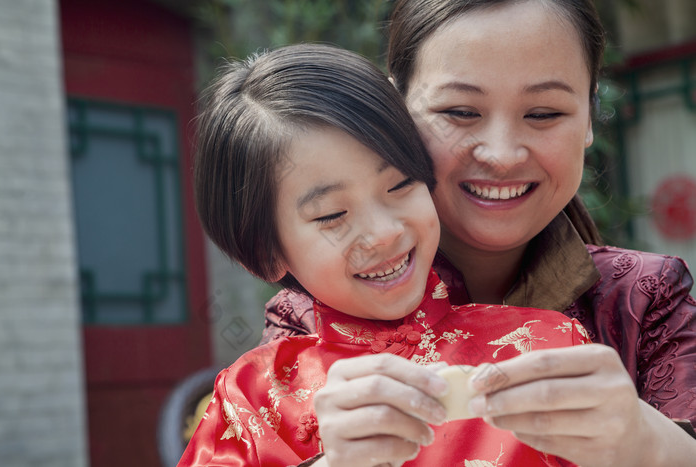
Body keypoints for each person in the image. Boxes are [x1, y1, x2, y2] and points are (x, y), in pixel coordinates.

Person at [261, 0, 696, 465]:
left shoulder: (647, 298)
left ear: (590, 115)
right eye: (461, 112)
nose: (502, 154)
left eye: (544, 113)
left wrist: (647, 441)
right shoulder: (311, 317)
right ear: (396, 115)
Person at [179, 43, 595, 466]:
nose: (384, 233)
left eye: (400, 186)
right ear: (266, 255)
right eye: (332, 215)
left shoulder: (548, 348)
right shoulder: (250, 397)